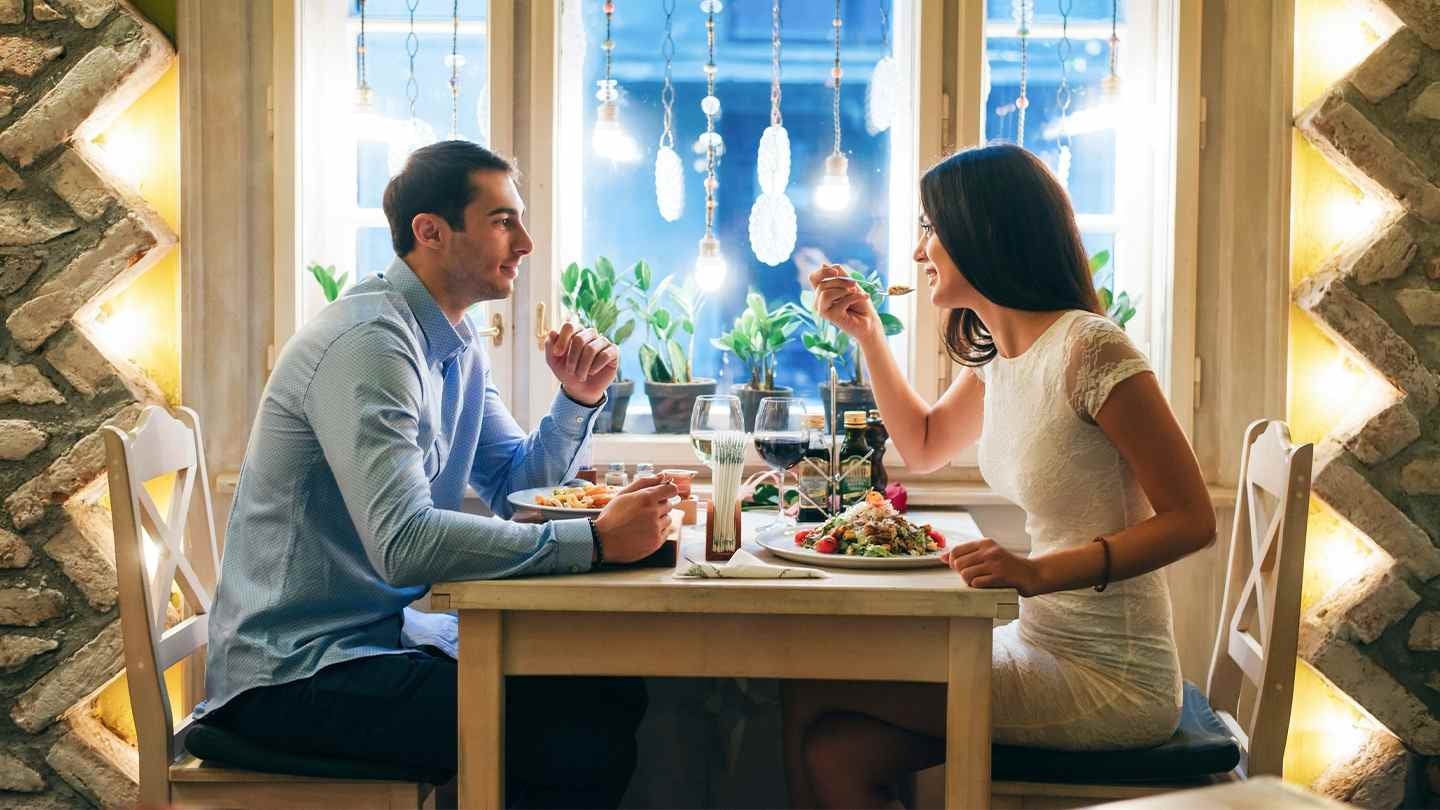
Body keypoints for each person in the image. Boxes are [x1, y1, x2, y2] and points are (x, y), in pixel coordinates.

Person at [194, 141, 675, 808]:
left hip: (374, 645)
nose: (527, 242)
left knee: (606, 687)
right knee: (573, 726)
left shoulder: (453, 340)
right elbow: (404, 545)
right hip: (292, 675)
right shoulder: (371, 345)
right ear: (431, 231)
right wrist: (594, 540)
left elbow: (514, 483)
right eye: (503, 220)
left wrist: (577, 401)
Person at [782, 143, 1216, 809]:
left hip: (1111, 677)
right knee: (834, 751)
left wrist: (1038, 573)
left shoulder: (1091, 348)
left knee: (811, 682)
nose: (920, 251)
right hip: (1036, 642)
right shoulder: (1001, 356)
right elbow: (924, 446)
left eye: (931, 229)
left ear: (984, 233)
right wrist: (869, 337)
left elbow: (1193, 520)